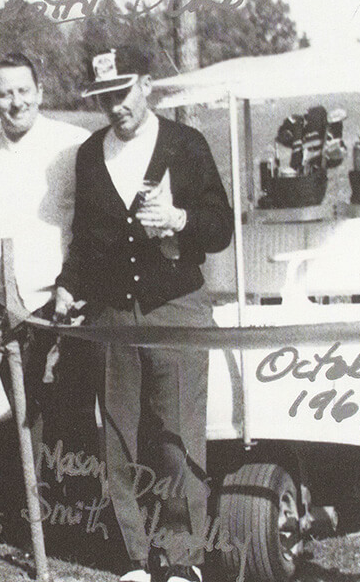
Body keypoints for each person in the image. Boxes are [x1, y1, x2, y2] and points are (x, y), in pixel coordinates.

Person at [54, 46, 233, 582]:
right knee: (117, 436)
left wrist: (180, 218)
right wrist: (68, 287)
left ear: (148, 85)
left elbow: (220, 225)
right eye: (104, 98)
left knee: (177, 435)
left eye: (122, 93)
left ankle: (183, 561)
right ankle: (133, 557)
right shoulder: (89, 155)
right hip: (112, 314)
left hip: (176, 307)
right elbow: (85, 240)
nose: (114, 107)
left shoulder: (185, 144)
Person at [0, 52, 91, 457]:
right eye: (5, 94)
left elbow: (94, 230)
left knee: (74, 426)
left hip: (66, 309)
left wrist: (75, 290)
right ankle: (33, 517)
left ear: (40, 92)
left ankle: (79, 517)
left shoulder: (73, 145)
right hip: (8, 316)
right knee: (22, 430)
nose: (16, 102)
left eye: (24, 91)